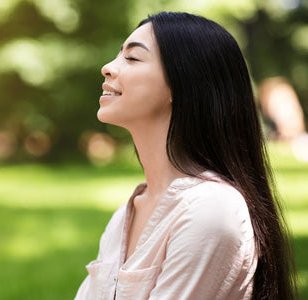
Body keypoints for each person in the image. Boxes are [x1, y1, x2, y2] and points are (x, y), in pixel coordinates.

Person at [74, 12, 297, 300]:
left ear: (182, 83)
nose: (107, 68)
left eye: (132, 58)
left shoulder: (211, 211)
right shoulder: (125, 216)